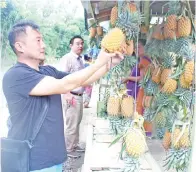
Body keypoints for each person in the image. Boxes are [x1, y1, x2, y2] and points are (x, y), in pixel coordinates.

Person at [2, 20, 123, 171]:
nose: (43, 45)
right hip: (33, 162)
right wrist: (98, 62)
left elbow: (82, 79)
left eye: (42, 40)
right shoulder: (16, 75)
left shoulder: (47, 71)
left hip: (53, 158)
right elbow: (64, 85)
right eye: (38, 41)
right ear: (20, 46)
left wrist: (109, 64)